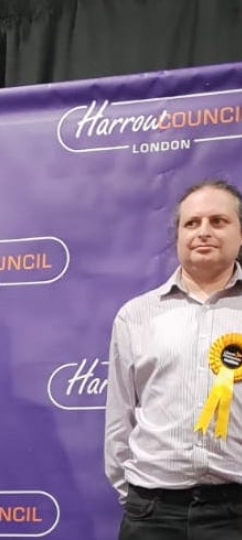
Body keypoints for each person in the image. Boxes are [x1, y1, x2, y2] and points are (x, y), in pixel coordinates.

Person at [105, 179, 242, 539]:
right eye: (192, 223)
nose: (204, 232)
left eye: (219, 221)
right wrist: (137, 499)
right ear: (178, 236)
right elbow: (119, 421)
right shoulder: (136, 315)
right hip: (152, 515)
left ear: (240, 234)